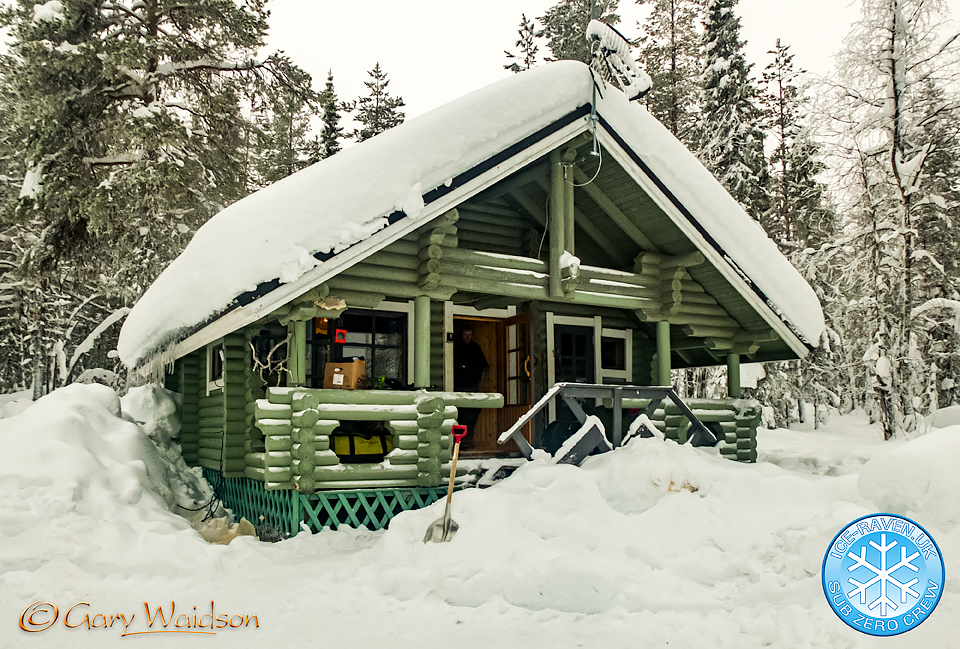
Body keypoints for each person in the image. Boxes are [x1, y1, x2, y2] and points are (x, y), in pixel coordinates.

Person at [453, 324, 488, 450]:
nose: (467, 337)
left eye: (469, 335)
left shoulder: (475, 348)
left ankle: (469, 441)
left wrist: (481, 385)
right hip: (459, 388)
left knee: (472, 417)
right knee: (460, 416)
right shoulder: (455, 347)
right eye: (464, 335)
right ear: (461, 335)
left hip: (473, 388)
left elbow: (484, 368)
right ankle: (459, 444)